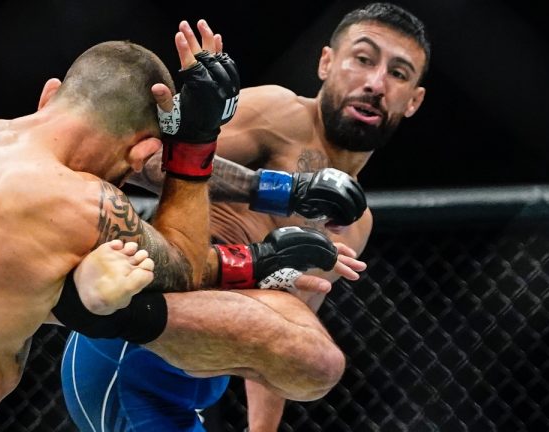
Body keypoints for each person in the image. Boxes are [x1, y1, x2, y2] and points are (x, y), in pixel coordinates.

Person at [0, 18, 362, 432]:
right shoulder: (75, 201)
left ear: (50, 94)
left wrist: (256, 259)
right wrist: (196, 138)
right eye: (134, 172)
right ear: (142, 153)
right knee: (312, 359)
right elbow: (183, 267)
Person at [61, 3, 430, 431]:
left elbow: (278, 328)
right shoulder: (282, 116)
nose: (375, 83)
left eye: (398, 74)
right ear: (326, 62)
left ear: (414, 101)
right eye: (363, 60)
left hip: (192, 382)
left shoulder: (356, 224)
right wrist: (276, 189)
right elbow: (145, 158)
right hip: (132, 348)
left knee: (312, 353)